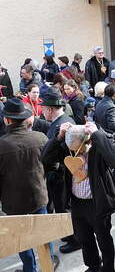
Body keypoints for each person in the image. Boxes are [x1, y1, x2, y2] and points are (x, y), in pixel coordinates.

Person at [42, 122, 115, 272]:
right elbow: (46, 157)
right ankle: (93, 266)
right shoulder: (68, 149)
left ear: (87, 141)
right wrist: (59, 137)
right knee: (84, 238)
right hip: (77, 203)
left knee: (104, 239)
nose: (74, 153)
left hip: (98, 202)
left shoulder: (98, 148)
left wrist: (98, 134)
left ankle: (108, 268)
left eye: (78, 149)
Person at [0, 98, 59, 272]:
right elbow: (53, 166)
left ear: (7, 119)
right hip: (38, 195)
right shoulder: (40, 138)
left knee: (22, 239)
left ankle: (30, 268)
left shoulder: (1, 146)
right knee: (43, 233)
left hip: (13, 203)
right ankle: (48, 264)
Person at [40, 87, 81, 254]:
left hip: (61, 174)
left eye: (43, 109)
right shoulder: (63, 120)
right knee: (61, 206)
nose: (42, 113)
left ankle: (75, 240)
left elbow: (49, 155)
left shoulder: (60, 126)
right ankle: (69, 234)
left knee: (63, 207)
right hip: (61, 173)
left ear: (50, 110)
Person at [95, 84, 115, 195]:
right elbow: (113, 124)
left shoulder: (100, 103)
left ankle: (112, 184)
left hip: (102, 136)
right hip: (112, 138)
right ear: (114, 94)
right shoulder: (111, 106)